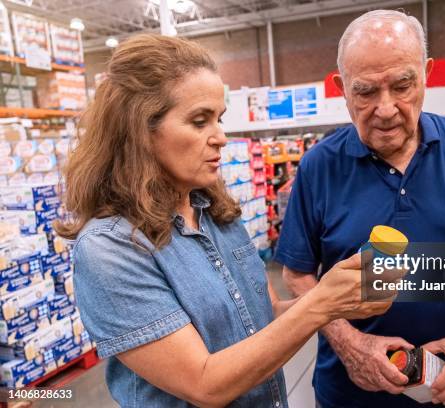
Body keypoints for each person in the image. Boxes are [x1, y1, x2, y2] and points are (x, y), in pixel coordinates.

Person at [56, 34, 396, 408]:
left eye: (219, 119)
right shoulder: (112, 249)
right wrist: (322, 304)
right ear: (140, 131)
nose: (220, 137)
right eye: (199, 121)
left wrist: (338, 295)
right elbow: (205, 383)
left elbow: (265, 320)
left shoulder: (217, 214)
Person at [275, 10, 445, 408]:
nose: (387, 108)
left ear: (426, 74)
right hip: (350, 393)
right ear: (342, 88)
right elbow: (297, 271)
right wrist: (349, 343)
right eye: (366, 92)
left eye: (402, 85)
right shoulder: (319, 165)